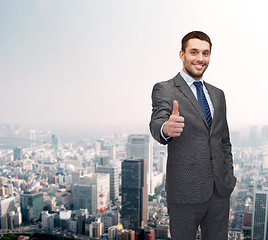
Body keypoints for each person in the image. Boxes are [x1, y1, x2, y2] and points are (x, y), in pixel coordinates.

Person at [149, 31, 236, 239]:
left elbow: (224, 140)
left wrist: (229, 177)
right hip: (185, 193)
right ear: (182, 54)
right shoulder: (166, 89)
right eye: (194, 52)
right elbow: (157, 122)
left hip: (219, 191)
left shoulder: (218, 94)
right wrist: (166, 128)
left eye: (205, 53)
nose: (200, 59)